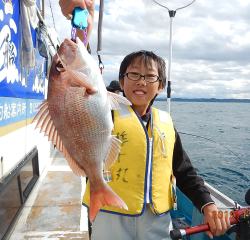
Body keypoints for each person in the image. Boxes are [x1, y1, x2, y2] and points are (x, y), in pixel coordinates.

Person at [59, 2, 231, 239]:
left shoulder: (166, 122)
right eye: (133, 74)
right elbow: (78, 75)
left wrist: (207, 204)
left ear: (160, 86)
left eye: (150, 76)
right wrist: (82, 28)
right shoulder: (105, 110)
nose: (141, 81)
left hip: (157, 220)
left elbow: (184, 171)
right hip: (111, 214)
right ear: (121, 81)